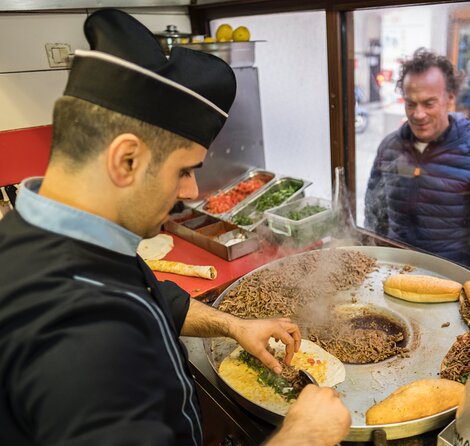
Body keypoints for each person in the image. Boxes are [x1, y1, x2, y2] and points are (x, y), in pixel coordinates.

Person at [0, 9, 349, 446]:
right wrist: (304, 435)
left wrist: (234, 325)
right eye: (185, 170)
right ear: (126, 159)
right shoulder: (83, 335)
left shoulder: (45, 235)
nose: (192, 189)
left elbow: (150, 296)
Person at [364, 49, 470, 278]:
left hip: (448, 282)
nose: (418, 114)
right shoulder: (390, 147)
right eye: (411, 104)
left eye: (428, 103)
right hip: (393, 274)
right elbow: (374, 213)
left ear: (450, 99)